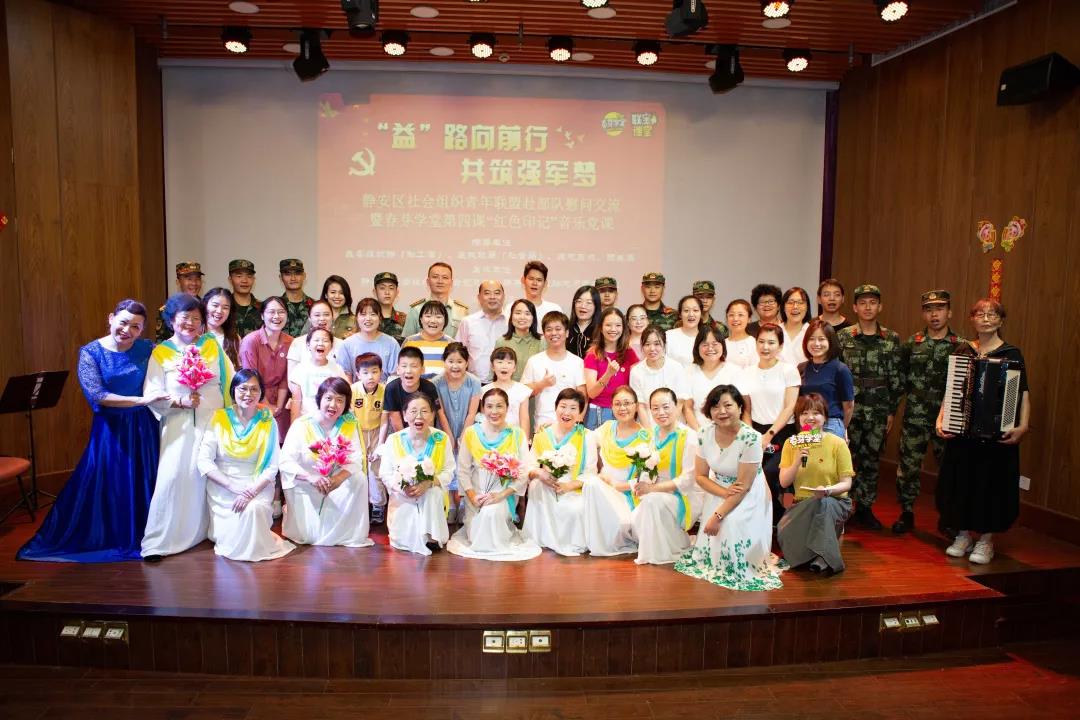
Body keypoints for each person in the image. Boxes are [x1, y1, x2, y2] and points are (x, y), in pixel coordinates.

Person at [18, 300, 166, 563]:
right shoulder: (91, 353)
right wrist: (141, 400)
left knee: (147, 479)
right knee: (111, 482)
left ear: (142, 330)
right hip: (111, 430)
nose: (127, 330)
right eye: (123, 322)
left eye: (135, 326)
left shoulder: (148, 348)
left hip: (144, 426)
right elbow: (98, 395)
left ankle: (153, 536)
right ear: (111, 318)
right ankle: (114, 535)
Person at [936, 298, 1030, 565]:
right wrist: (941, 419)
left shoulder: (1012, 354)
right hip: (963, 431)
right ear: (972, 319)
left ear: (1001, 320)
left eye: (992, 315)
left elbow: (1022, 394)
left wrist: (1023, 426)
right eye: (980, 314)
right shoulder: (963, 350)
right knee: (961, 482)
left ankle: (986, 540)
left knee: (991, 485)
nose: (986, 319)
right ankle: (963, 534)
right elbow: (951, 390)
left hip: (996, 434)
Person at [141, 293, 234, 561]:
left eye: (196, 318)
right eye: (185, 317)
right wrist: (179, 402)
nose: (191, 323)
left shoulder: (212, 346)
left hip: (213, 421)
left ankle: (214, 531)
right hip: (178, 425)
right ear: (172, 320)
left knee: (211, 475)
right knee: (174, 476)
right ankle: (161, 539)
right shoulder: (161, 352)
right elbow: (152, 393)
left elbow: (229, 382)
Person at [674, 385, 784, 591]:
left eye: (728, 405)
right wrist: (724, 493)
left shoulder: (751, 438)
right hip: (718, 488)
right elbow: (700, 476)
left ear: (740, 407)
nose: (722, 411)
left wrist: (717, 516)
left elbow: (743, 486)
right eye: (715, 407)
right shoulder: (704, 433)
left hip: (749, 493)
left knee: (731, 524)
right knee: (716, 534)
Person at [197, 369, 295, 562]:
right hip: (224, 486)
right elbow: (204, 461)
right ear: (233, 390)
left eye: (254, 389)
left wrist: (250, 491)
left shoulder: (268, 421)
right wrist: (232, 486)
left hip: (257, 484)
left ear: (261, 392)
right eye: (243, 388)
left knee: (253, 509)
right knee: (238, 521)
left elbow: (272, 466)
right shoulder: (218, 418)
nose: (248, 394)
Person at [892, 290, 964, 534]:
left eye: (940, 309)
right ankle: (906, 512)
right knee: (908, 466)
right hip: (915, 413)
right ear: (923, 314)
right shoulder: (912, 344)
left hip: (948, 416)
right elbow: (900, 380)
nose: (934, 314)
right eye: (929, 309)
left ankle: (948, 517)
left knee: (949, 468)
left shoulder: (961, 346)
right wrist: (892, 411)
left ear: (949, 312)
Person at [448, 388, 541, 561]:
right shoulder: (471, 433)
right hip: (475, 497)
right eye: (489, 406)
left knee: (491, 513)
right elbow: (463, 471)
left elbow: (523, 472)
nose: (494, 411)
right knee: (477, 532)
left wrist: (501, 495)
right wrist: (472, 496)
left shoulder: (517, 434)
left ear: (507, 408)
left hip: (503, 496)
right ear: (482, 408)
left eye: (499, 406)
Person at [279, 377, 373, 548]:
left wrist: (338, 479)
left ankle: (348, 532)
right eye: (328, 398)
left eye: (340, 400)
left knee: (358, 478)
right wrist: (310, 477)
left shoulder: (349, 424)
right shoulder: (302, 424)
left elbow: (356, 460)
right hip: (306, 485)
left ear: (346, 404)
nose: (333, 405)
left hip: (334, 484)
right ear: (319, 399)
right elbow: (285, 461)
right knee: (308, 537)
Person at [838, 284, 902, 530]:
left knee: (871, 460)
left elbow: (896, 378)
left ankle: (865, 508)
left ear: (880, 306)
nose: (867, 307)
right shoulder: (844, 337)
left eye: (872, 302)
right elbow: (837, 375)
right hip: (850, 408)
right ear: (854, 307)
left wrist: (891, 411)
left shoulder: (891, 338)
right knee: (847, 458)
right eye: (862, 303)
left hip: (878, 409)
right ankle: (844, 508)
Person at [777, 393, 854, 574]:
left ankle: (826, 558)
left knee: (824, 504)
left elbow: (846, 483)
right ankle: (814, 553)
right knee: (784, 530)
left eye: (816, 413)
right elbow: (784, 482)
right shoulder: (791, 443)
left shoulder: (837, 443)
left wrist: (827, 490)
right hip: (802, 503)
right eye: (804, 413)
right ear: (798, 418)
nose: (810, 417)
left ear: (825, 417)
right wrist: (796, 461)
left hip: (834, 500)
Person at [378, 393, 455, 555]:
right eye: (413, 411)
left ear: (433, 414)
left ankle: (431, 536)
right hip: (403, 496)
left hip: (431, 495)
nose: (419, 416)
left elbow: (449, 471)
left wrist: (430, 482)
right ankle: (407, 535)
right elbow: (385, 474)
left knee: (433, 492)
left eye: (424, 411)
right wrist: (402, 488)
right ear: (405, 415)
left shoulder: (442, 439)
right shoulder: (393, 440)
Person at [632, 388, 702, 565]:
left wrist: (652, 489)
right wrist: (642, 483)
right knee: (636, 517)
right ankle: (667, 545)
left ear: (677, 407)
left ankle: (659, 552)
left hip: (684, 495)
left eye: (665, 407)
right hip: (657, 491)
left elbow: (687, 480)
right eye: (655, 408)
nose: (660, 412)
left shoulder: (689, 437)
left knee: (652, 501)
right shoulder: (653, 435)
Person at [524, 388, 596, 557]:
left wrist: (568, 486)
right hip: (547, 484)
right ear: (555, 407)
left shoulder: (587, 436)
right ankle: (541, 538)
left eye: (573, 408)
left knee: (574, 509)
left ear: (580, 413)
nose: (567, 412)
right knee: (536, 485)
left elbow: (590, 473)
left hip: (573, 487)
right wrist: (539, 473)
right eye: (563, 406)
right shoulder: (542, 434)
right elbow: (529, 466)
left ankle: (567, 542)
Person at [580, 386, 651, 557]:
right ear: (611, 407)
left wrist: (616, 485)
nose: (622, 408)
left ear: (636, 406)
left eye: (627, 403)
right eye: (617, 404)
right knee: (591, 482)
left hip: (628, 494)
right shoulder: (607, 428)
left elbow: (647, 479)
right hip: (604, 490)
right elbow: (585, 436)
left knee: (623, 521)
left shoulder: (646, 437)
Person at [741, 323, 801, 522]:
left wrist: (769, 435)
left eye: (771, 342)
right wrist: (752, 434)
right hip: (756, 431)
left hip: (783, 432)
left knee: (770, 473)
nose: (765, 347)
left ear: (780, 346)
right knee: (753, 476)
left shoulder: (788, 370)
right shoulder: (747, 372)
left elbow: (789, 407)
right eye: (761, 342)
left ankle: (777, 519)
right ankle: (762, 521)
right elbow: (746, 409)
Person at [433, 343, 482, 518]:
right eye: (451, 361)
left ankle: (463, 503)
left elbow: (472, 413)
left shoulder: (474, 382)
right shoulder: (435, 383)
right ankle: (450, 505)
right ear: (444, 362)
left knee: (465, 465)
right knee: (446, 464)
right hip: (444, 427)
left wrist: (462, 436)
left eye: (460, 361)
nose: (455, 366)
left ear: (467, 363)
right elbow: (440, 413)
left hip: (467, 427)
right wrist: (449, 435)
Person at [238, 296, 293, 442]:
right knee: (258, 442)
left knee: (281, 444)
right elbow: (250, 378)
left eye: (281, 312)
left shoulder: (291, 342)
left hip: (282, 401)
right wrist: (267, 405)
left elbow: (286, 377)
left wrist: (279, 406)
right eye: (271, 312)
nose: (276, 316)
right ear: (262, 315)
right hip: (255, 398)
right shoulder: (251, 341)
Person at [521, 311, 587, 428]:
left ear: (567, 333)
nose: (554, 333)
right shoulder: (534, 361)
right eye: (549, 329)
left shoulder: (577, 362)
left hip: (570, 428)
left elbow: (583, 397)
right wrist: (542, 384)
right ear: (544, 334)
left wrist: (578, 422)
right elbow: (522, 393)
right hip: (542, 427)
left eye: (558, 329)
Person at [350, 353, 390, 524]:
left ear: (381, 372)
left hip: (376, 432)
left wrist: (379, 445)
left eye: (374, 372)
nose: (370, 376)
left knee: (375, 469)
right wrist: (356, 441)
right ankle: (357, 504)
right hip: (356, 432)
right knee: (357, 467)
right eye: (365, 373)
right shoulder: (353, 390)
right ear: (358, 374)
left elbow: (384, 420)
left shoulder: (385, 391)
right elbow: (350, 418)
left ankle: (378, 505)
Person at [583, 308, 639, 430]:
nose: (613, 329)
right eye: (608, 325)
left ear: (623, 328)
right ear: (601, 328)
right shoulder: (593, 355)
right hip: (599, 413)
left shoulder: (629, 353)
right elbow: (591, 393)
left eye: (618, 325)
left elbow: (637, 385)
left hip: (624, 411)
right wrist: (608, 374)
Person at [798, 319, 854, 439]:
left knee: (826, 452)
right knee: (807, 452)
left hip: (831, 424)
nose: (816, 343)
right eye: (812, 339)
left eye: (821, 339)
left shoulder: (840, 369)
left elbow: (849, 405)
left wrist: (842, 428)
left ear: (830, 342)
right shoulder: (802, 368)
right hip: (807, 424)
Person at [684, 326, 744, 431]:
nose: (710, 348)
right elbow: (687, 408)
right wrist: (700, 433)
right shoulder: (689, 371)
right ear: (697, 348)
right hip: (696, 431)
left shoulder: (735, 371)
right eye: (705, 345)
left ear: (723, 346)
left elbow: (739, 407)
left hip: (728, 431)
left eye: (715, 344)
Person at [630, 325, 690, 426]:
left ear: (664, 345)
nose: (652, 348)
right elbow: (641, 406)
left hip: (674, 426)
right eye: (647, 344)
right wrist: (649, 432)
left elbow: (680, 402)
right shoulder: (636, 371)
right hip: (648, 425)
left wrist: (668, 428)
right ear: (642, 347)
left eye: (657, 344)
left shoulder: (676, 367)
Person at [288, 328, 349, 421]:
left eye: (325, 340)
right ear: (308, 345)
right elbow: (296, 401)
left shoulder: (337, 369)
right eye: (316, 340)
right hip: (307, 421)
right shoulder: (300, 369)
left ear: (331, 346)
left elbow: (345, 397)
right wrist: (294, 425)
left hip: (331, 422)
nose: (320, 343)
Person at [337, 297, 401, 383]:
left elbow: (395, 375)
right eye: (363, 314)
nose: (368, 318)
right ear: (356, 318)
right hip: (356, 390)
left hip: (384, 390)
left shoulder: (391, 343)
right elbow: (345, 375)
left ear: (380, 318)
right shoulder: (347, 344)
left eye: (373, 314)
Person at [454, 280, 507, 381]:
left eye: (497, 293)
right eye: (487, 293)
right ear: (479, 297)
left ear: (503, 297)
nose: (492, 297)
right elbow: (458, 353)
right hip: (474, 383)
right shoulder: (468, 322)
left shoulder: (511, 322)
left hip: (504, 382)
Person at [402, 262, 469, 338]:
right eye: (435, 277)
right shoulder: (416, 309)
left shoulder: (462, 311)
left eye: (445, 277)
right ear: (428, 281)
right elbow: (407, 341)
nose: (440, 281)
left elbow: (466, 341)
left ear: (451, 282)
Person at [383, 346, 441, 432]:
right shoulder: (391, 389)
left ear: (422, 369)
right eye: (404, 366)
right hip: (402, 434)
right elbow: (396, 422)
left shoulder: (429, 388)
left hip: (425, 432)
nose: (408, 370)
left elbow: (430, 419)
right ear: (398, 369)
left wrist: (425, 437)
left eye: (414, 366)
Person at [286, 300, 343, 377]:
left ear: (332, 317)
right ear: (309, 318)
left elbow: (345, 375)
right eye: (317, 315)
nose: (322, 318)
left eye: (326, 314)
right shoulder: (298, 343)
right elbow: (291, 378)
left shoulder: (342, 344)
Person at [494, 299, 545, 382]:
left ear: (533, 318)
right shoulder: (501, 341)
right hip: (507, 388)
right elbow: (495, 372)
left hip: (535, 388)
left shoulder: (542, 341)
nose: (522, 317)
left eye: (527, 313)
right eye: (518, 313)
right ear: (511, 317)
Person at [482, 347, 531, 433]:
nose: (504, 366)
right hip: (491, 436)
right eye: (500, 362)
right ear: (492, 367)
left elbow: (524, 419)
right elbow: (483, 418)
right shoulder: (484, 390)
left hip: (514, 437)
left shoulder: (522, 390)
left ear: (514, 367)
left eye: (509, 362)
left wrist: (524, 440)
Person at [402, 300, 454, 377]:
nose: (433, 321)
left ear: (445, 320)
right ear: (421, 319)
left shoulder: (451, 344)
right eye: (428, 316)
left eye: (438, 317)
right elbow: (402, 370)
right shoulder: (410, 342)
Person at [155, 261, 204, 341]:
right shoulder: (167, 310)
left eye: (197, 279)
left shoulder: (206, 307)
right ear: (178, 282)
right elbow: (162, 342)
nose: (194, 283)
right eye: (189, 279)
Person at [302, 275, 356, 339]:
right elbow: (302, 340)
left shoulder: (354, 320)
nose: (337, 296)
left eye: (341, 293)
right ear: (326, 295)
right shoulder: (315, 316)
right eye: (333, 292)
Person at [203, 287, 240, 368]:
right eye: (215, 305)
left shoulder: (235, 338)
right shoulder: (194, 333)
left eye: (225, 308)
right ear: (205, 305)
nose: (219, 311)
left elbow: (238, 369)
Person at [279, 258, 314, 338]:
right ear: (281, 278)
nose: (293, 278)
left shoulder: (315, 306)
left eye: (297, 273)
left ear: (304, 276)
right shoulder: (275, 307)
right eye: (288, 274)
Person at [664, 295, 703, 368]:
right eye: (686, 310)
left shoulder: (706, 337)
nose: (691, 314)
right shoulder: (668, 336)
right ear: (680, 314)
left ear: (701, 313)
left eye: (695, 310)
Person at [227, 259, 262, 338]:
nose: (244, 281)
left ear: (254, 279)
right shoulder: (223, 308)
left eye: (249, 276)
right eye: (239, 276)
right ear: (230, 279)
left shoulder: (263, 308)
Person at [779, 286, 811, 366]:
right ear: (783, 307)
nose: (795, 307)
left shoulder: (812, 332)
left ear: (807, 307)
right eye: (790, 302)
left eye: (800, 302)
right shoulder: (774, 331)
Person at [724, 299, 759, 370]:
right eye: (731, 315)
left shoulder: (754, 343)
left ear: (749, 319)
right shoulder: (721, 344)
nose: (735, 319)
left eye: (740, 315)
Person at [567, 285, 600, 358]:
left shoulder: (601, 331)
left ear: (596, 306)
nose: (583, 306)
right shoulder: (566, 329)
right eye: (579, 301)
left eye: (589, 302)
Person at [374, 272, 407, 341]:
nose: (387, 292)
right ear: (375, 292)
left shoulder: (405, 319)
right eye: (382, 288)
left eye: (391, 288)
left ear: (397, 292)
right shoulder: (368, 318)